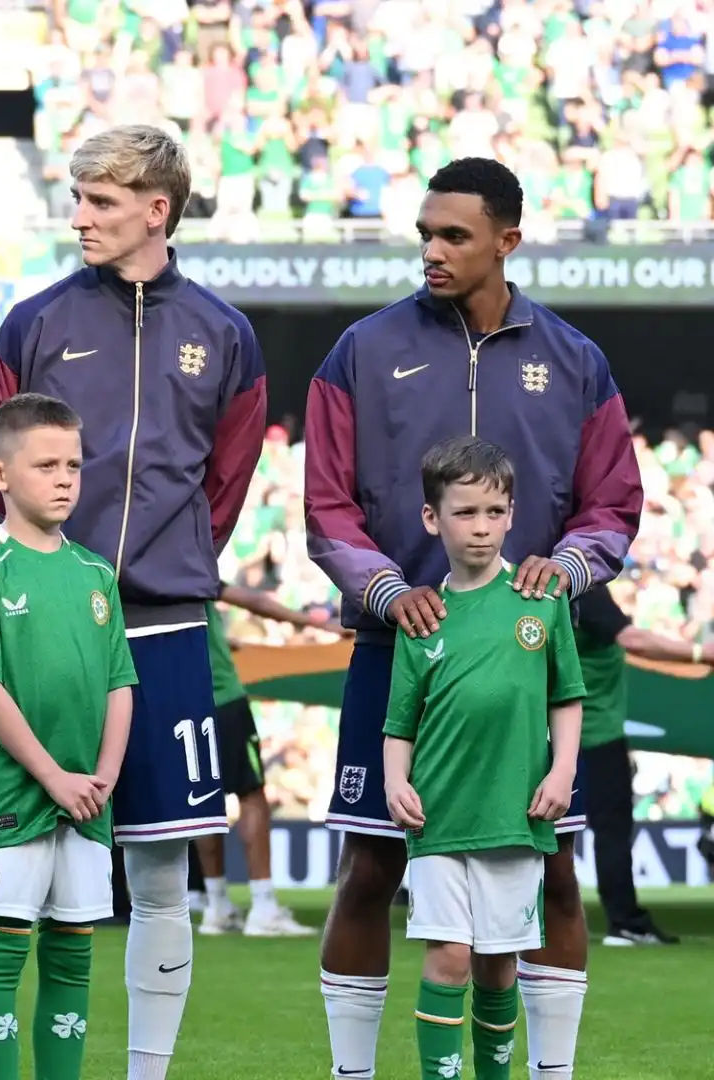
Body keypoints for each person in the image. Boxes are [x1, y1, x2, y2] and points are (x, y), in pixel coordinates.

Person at [303, 157, 641, 1080]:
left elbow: (612, 505)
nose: (433, 251)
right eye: (425, 233)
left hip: (527, 659)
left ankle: (551, 1073)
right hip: (396, 648)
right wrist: (382, 587)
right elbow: (326, 507)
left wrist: (567, 568)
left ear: (508, 240)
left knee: (556, 873)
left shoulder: (576, 362)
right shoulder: (363, 352)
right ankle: (354, 1073)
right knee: (372, 867)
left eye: (454, 234)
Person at [0, 123, 266, 1080]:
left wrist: (167, 563)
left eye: (100, 201)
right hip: (45, 625)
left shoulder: (224, 334)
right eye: (79, 197)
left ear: (155, 210)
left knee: (165, 873)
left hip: (169, 628)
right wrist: (54, 574)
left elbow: (229, 480)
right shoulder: (33, 321)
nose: (80, 215)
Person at [384, 436, 586, 1080]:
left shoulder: (541, 599)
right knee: (448, 956)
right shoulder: (423, 617)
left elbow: (567, 695)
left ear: (512, 512)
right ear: (432, 518)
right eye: (465, 513)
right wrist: (395, 781)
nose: (482, 528)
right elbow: (399, 723)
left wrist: (563, 770)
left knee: (499, 963)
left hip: (515, 814)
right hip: (439, 817)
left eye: (495, 513)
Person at [0, 393, 135, 1080]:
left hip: (88, 798)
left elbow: (121, 682)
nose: (65, 479)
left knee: (72, 954)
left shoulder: (94, 574)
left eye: (74, 466)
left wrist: (104, 776)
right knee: (1, 953)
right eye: (46, 465)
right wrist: (52, 776)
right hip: (10, 795)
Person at [189, 584, 325, 938]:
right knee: (251, 796)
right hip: (224, 699)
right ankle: (263, 907)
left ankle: (217, 906)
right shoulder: (192, 566)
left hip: (183, 706)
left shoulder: (138, 573)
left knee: (204, 802)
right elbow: (254, 600)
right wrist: (313, 622)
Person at [573, 585, 703, 946]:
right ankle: (626, 922)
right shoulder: (587, 591)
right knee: (612, 832)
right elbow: (633, 640)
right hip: (595, 737)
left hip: (564, 734)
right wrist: (699, 652)